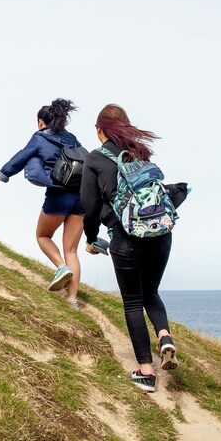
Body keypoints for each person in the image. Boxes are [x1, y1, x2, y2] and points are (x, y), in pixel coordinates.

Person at [80, 104, 179, 393]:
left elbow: (89, 206)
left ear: (100, 129)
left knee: (133, 301)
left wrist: (91, 237)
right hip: (160, 232)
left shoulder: (96, 159)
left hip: (126, 238)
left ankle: (146, 372)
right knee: (151, 292)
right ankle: (164, 337)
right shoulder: (141, 154)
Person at [0, 99, 85, 308]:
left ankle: (61, 268)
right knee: (71, 250)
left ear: (41, 122)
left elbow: (19, 159)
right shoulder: (72, 139)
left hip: (58, 196)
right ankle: (72, 300)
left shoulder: (40, 138)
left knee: (42, 236)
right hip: (80, 198)